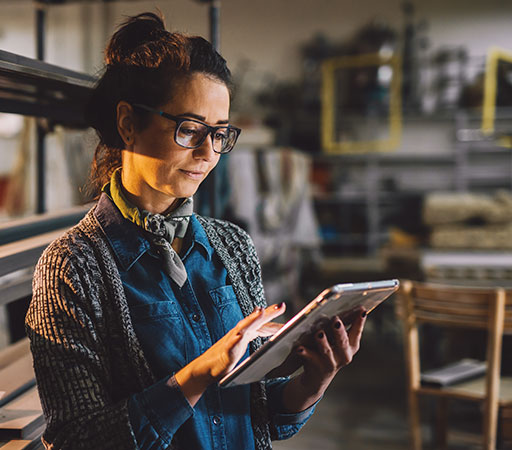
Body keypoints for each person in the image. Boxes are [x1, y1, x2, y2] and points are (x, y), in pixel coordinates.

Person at [25, 12, 365, 450]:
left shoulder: (232, 247)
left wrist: (314, 381)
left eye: (220, 134)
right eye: (189, 130)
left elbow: (256, 413)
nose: (207, 153)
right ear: (128, 123)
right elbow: (75, 440)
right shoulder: (72, 268)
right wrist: (199, 374)